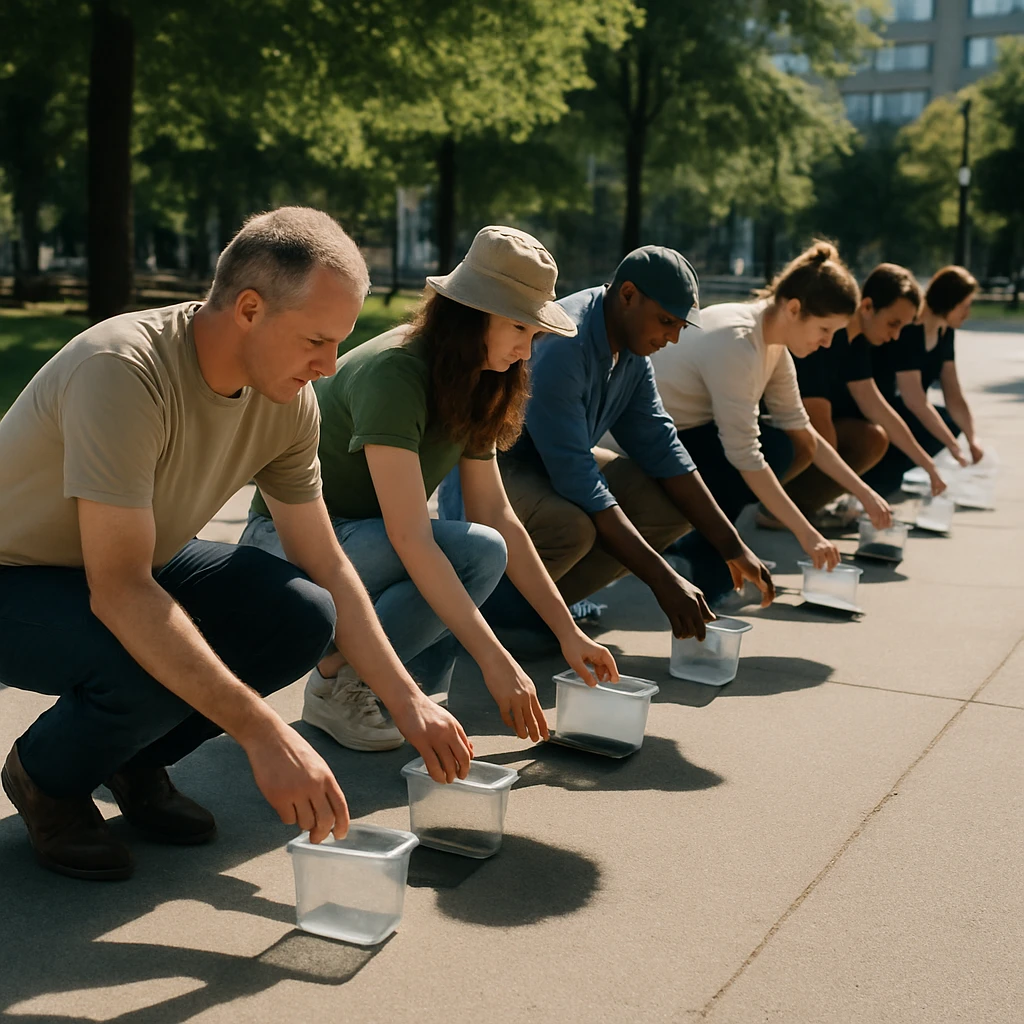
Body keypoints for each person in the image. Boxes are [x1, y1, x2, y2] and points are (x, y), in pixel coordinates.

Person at [0, 207, 472, 882]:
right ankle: (46, 778)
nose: (330, 364)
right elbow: (121, 589)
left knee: (302, 612)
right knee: (148, 655)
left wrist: (407, 698)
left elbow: (324, 559)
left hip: (132, 561)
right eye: (317, 339)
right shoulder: (122, 370)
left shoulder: (287, 399)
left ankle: (133, 757)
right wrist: (262, 731)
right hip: (16, 572)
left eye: (339, 342)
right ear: (249, 308)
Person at [241, 225, 619, 750]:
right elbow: (410, 538)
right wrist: (495, 660)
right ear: (471, 314)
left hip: (360, 544)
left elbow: (497, 514)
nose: (526, 350)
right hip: (283, 547)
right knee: (470, 552)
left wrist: (566, 631)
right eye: (518, 327)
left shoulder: (475, 378)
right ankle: (338, 681)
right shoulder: (398, 371)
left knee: (484, 547)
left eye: (534, 334)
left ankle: (379, 680)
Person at [442, 244, 775, 641]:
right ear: (628, 295)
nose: (671, 338)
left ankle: (546, 613)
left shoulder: (631, 352)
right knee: (572, 526)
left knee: (667, 507)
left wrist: (732, 546)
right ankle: (488, 617)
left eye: (680, 328)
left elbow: (662, 447)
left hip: (554, 467)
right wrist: (663, 581)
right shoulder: (567, 343)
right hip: (494, 469)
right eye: (666, 321)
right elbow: (577, 479)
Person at [651, 241, 892, 605]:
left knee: (791, 444)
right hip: (643, 446)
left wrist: (863, 491)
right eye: (824, 330)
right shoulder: (738, 341)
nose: (827, 344)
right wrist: (807, 533)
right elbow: (745, 455)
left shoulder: (771, 342)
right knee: (765, 454)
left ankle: (696, 549)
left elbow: (802, 428)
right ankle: (709, 571)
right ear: (794, 309)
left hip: (685, 436)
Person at [781, 262, 947, 526]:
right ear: (867, 307)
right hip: (769, 429)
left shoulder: (857, 341)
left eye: (902, 327)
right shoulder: (827, 337)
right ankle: (777, 510)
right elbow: (818, 427)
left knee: (874, 436)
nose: (895, 336)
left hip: (796, 430)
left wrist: (929, 465)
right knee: (829, 438)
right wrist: (865, 494)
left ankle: (801, 508)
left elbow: (876, 406)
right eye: (893, 323)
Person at [861, 265, 982, 499]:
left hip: (908, 410)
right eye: (964, 306)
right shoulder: (909, 331)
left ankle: (888, 476)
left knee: (950, 421)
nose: (967, 313)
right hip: (888, 406)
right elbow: (914, 400)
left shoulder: (945, 333)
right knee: (939, 427)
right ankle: (877, 478)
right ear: (949, 300)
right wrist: (953, 447)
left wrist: (972, 439)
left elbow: (953, 392)